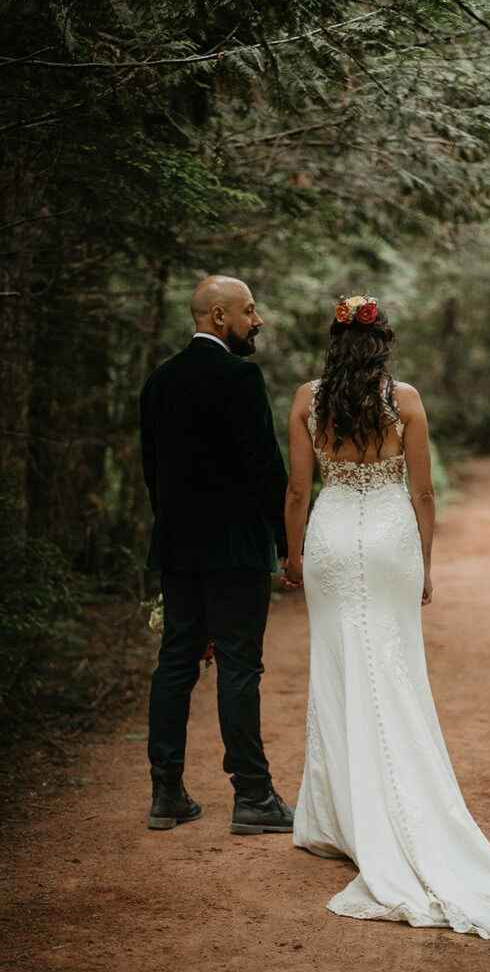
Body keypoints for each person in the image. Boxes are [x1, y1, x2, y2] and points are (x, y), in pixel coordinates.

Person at [282, 294, 490, 946]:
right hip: (388, 542)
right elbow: (423, 492)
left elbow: (298, 490)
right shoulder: (403, 399)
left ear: (333, 341)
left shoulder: (307, 399)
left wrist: (292, 554)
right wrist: (425, 564)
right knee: (394, 670)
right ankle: (379, 815)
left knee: (336, 668)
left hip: (329, 537)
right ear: (382, 343)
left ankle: (335, 821)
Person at [140, 275, 294, 834]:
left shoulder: (159, 380)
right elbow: (264, 470)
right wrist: (286, 543)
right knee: (238, 666)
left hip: (179, 551)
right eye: (250, 311)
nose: (258, 321)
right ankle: (253, 797)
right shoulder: (240, 376)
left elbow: (152, 473)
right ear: (219, 316)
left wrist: (176, 534)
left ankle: (166, 794)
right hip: (235, 552)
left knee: (175, 662)